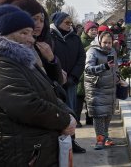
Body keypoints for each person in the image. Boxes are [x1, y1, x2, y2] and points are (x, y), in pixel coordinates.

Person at [0, 5, 76, 166]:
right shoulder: (0, 64)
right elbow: (26, 105)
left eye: (31, 33)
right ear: (2, 35)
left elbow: (49, 92)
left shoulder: (22, 62)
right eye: (24, 33)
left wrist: (68, 113)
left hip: (34, 151)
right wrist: (64, 120)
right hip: (19, 155)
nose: (31, 39)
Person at [0, 0, 66, 85]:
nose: (39, 24)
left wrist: (52, 60)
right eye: (34, 19)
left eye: (42, 20)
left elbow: (57, 81)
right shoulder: (5, 55)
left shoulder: (41, 43)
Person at [50, 11, 87, 153]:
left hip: (71, 83)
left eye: (70, 22)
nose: (69, 25)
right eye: (66, 22)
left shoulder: (74, 38)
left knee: (70, 112)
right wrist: (56, 77)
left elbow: (81, 58)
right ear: (58, 22)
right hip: (54, 83)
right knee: (56, 113)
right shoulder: (50, 37)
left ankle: (72, 141)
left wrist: (73, 77)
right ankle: (56, 143)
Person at [84, 30, 118, 150]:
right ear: (99, 41)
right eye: (105, 43)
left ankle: (106, 137)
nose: (108, 45)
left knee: (108, 115)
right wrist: (104, 66)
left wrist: (119, 79)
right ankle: (99, 140)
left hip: (110, 89)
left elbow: (115, 69)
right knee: (99, 116)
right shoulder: (92, 51)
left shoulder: (113, 51)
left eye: (110, 42)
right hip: (96, 89)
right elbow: (88, 69)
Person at [76, 20, 99, 127]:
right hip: (82, 74)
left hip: (93, 73)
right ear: (86, 31)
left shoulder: (97, 40)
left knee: (91, 99)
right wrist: (91, 47)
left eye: (95, 30)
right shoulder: (80, 40)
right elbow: (79, 54)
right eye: (92, 30)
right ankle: (76, 120)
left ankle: (90, 119)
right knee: (79, 99)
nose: (94, 31)